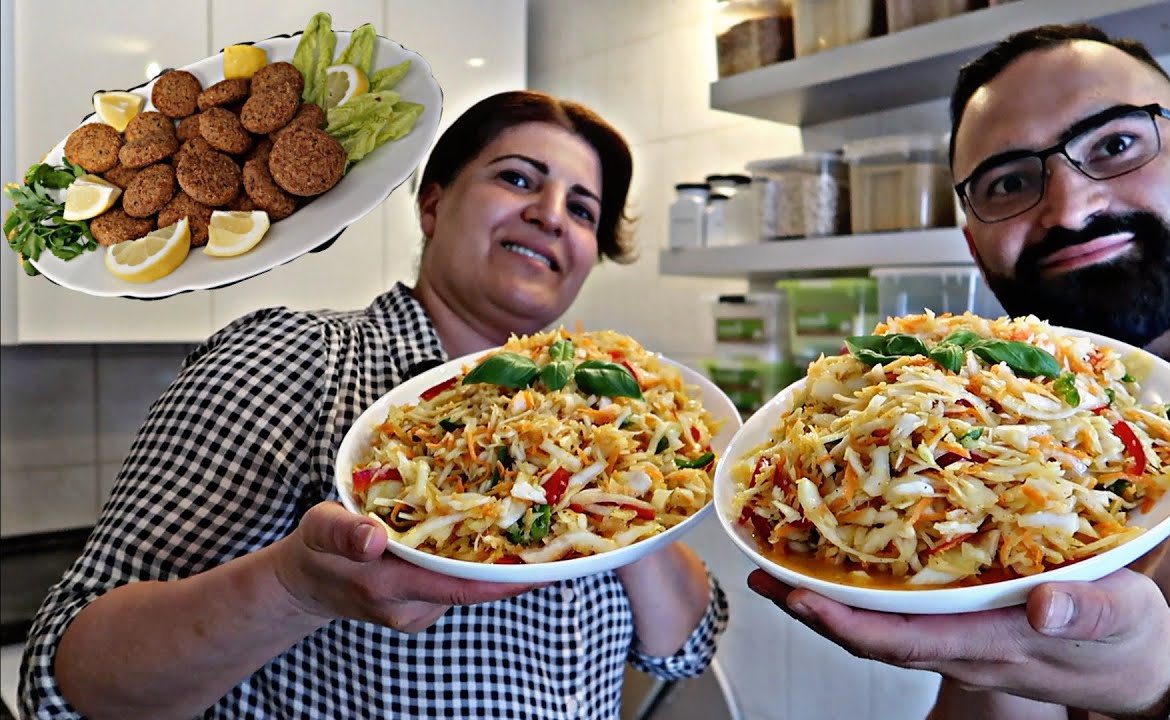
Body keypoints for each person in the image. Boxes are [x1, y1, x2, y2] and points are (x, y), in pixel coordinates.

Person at [20, 90, 729, 719]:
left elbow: (684, 648)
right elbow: (65, 685)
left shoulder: (615, 411)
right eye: (517, 178)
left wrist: (625, 488)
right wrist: (295, 588)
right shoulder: (289, 358)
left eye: (582, 210)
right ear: (433, 204)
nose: (550, 215)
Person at [748, 24, 1170, 720]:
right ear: (975, 247)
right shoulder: (1007, 443)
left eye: (1115, 145)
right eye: (1010, 182)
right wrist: (974, 651)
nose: (1071, 209)